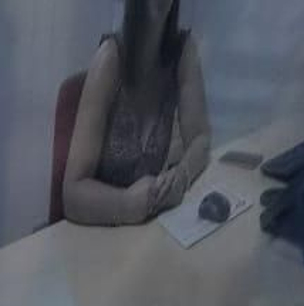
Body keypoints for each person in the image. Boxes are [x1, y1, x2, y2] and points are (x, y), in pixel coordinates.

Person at [62, 0, 211, 229]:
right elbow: (72, 194)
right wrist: (125, 205)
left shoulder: (183, 51)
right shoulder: (110, 59)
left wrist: (182, 176)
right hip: (96, 233)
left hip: (145, 231)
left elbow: (200, 138)